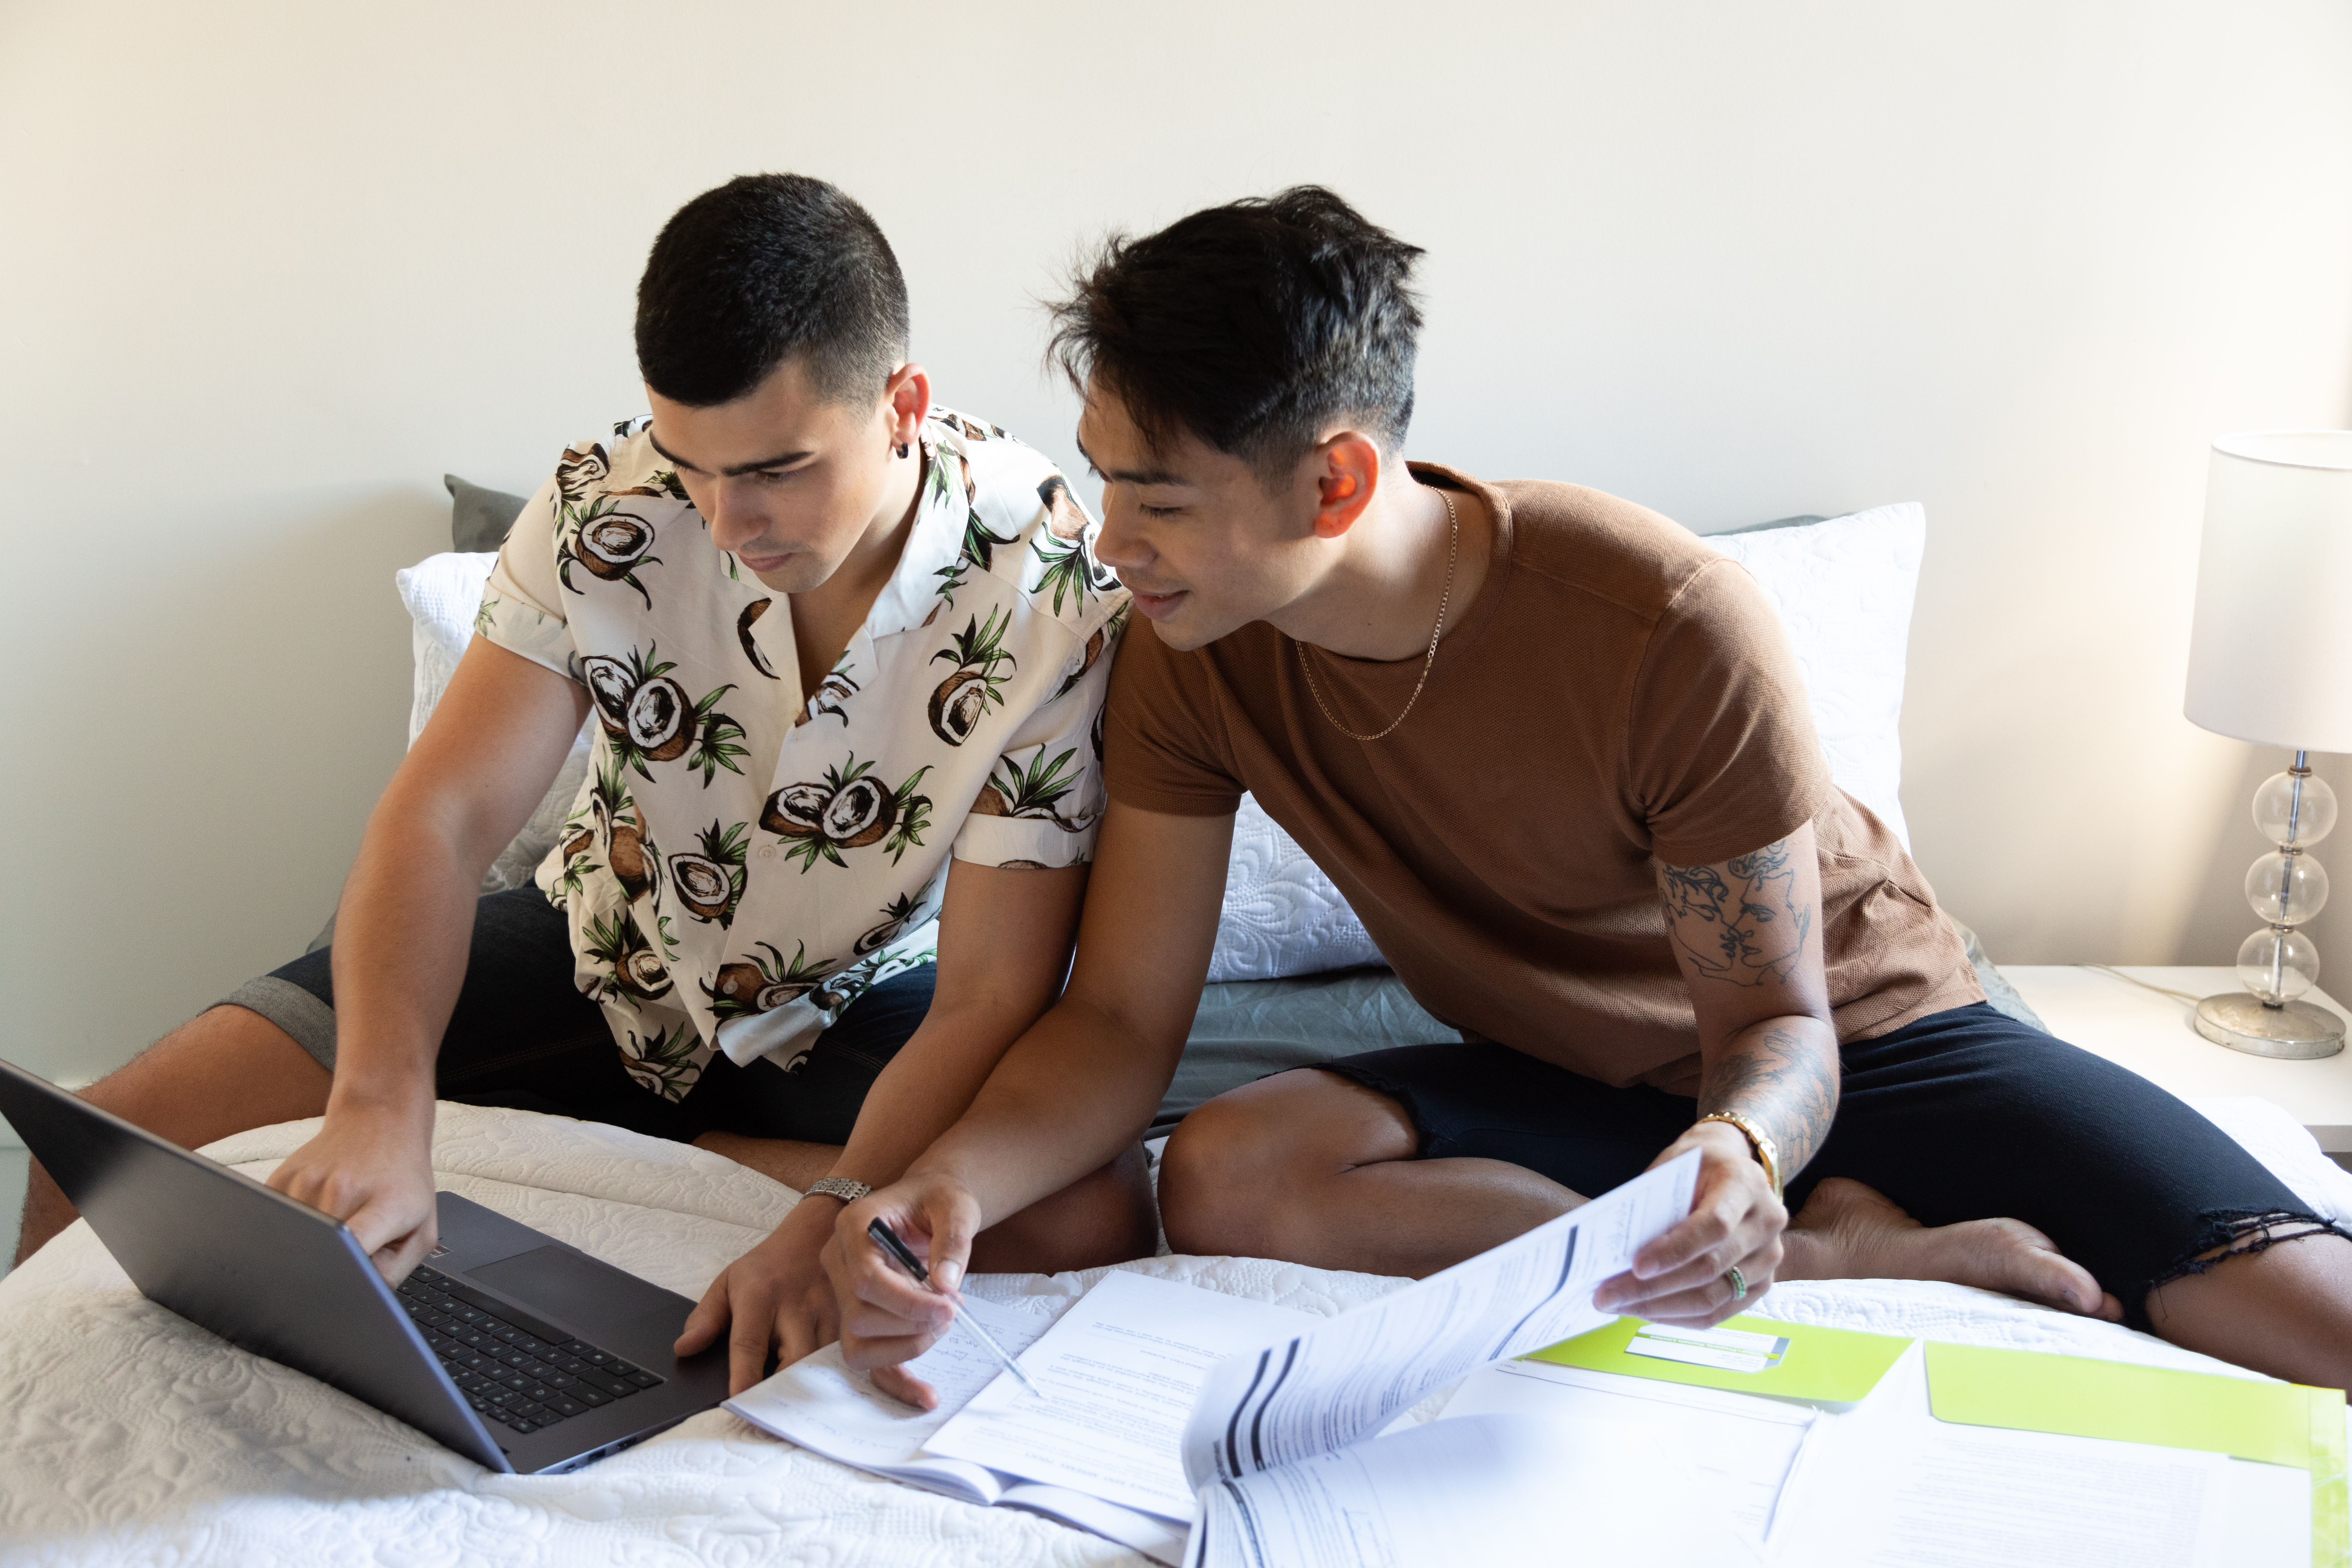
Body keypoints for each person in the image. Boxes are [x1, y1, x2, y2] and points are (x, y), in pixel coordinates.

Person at [825, 185, 2352, 1405]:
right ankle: (1838, 1257)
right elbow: (1116, 1025)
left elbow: (1776, 1025)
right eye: (1102, 482)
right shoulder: (1188, 648)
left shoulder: (1667, 622)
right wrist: (942, 1183)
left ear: (1336, 484)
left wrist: (1739, 1152)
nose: (1111, 540)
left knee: (2306, 1319)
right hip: (1565, 1068)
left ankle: (1796, 1214)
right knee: (1230, 1172)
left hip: (1867, 1039)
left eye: (1155, 496)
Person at [15, 173, 1157, 1394]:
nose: (728, 522)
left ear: (901, 407)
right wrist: (379, 1103)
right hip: (606, 946)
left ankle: (697, 1148)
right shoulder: (603, 502)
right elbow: (444, 820)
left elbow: (988, 994)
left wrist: (826, 1206)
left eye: (777, 470)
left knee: (1085, 1218)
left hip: (857, 1012)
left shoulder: (1055, 590)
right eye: (694, 466)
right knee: (107, 1138)